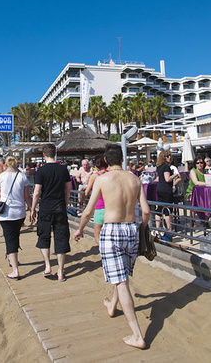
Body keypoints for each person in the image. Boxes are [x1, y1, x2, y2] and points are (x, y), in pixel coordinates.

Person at [73, 144, 150, 349]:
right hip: (132, 229)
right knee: (122, 274)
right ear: (123, 158)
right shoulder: (135, 179)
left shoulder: (102, 179)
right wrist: (143, 229)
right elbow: (146, 211)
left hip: (112, 229)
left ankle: (137, 335)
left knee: (122, 282)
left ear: (106, 161)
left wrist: (80, 229)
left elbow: (89, 211)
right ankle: (112, 306)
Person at [31, 144, 71, 281]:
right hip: (60, 208)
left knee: (44, 236)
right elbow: (68, 189)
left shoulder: (41, 171)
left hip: (46, 208)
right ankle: (60, 272)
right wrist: (65, 204)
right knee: (61, 238)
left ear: (44, 155)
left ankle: (48, 266)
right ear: (55, 154)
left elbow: (37, 192)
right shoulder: (63, 169)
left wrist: (32, 209)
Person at [0, 156, 32, 280]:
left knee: (9, 239)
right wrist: (32, 209)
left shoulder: (1, 177)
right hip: (19, 212)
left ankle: (15, 270)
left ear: (6, 164)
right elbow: (27, 196)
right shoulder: (22, 177)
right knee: (15, 236)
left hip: (6, 212)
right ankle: (13, 259)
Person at [79, 154, 108, 244]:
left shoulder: (95, 176)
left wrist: (81, 201)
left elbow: (87, 192)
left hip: (99, 207)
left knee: (98, 235)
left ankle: (103, 252)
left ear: (95, 166)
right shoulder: (110, 174)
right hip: (111, 207)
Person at [155, 150, 180, 235]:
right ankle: (169, 230)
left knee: (159, 208)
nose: (169, 158)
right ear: (164, 158)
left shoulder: (159, 167)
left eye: (170, 156)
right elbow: (167, 179)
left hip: (159, 188)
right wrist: (175, 175)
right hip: (166, 189)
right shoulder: (166, 167)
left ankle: (157, 228)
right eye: (167, 156)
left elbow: (159, 178)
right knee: (167, 209)